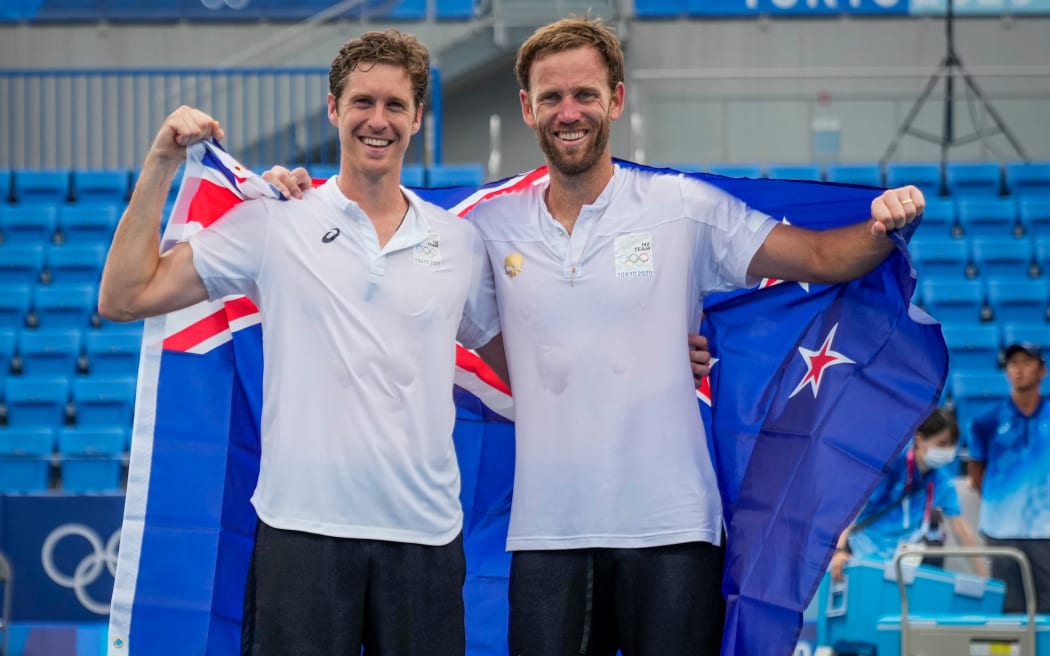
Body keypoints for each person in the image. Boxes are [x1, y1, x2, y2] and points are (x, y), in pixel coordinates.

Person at [269, 17, 925, 654]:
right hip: (548, 539)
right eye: (551, 97)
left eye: (584, 94)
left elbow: (816, 258)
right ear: (527, 108)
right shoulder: (486, 230)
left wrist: (881, 226)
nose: (568, 110)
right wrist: (298, 200)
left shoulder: (681, 208)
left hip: (673, 533)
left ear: (615, 99)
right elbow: (382, 262)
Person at [98, 29, 501, 656]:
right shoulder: (273, 220)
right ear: (334, 108)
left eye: (396, 105)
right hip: (300, 534)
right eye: (362, 102)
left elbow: (525, 358)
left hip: (424, 538)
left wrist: (668, 356)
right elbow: (124, 296)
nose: (378, 120)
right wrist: (160, 162)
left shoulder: (459, 243)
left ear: (418, 117)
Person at [829, 408, 987, 582]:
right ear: (919, 440)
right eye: (942, 444)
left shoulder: (942, 481)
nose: (948, 450)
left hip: (905, 563)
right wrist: (839, 551)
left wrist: (985, 579)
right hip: (864, 557)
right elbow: (850, 511)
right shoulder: (889, 466)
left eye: (952, 445)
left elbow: (960, 529)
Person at [968, 342, 1050, 613]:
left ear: (1043, 371)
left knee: (1047, 610)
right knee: (1008, 611)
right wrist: (1003, 501)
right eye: (1013, 363)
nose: (1019, 369)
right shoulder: (986, 420)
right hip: (1001, 530)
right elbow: (976, 473)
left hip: (1046, 531)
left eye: (1027, 362)